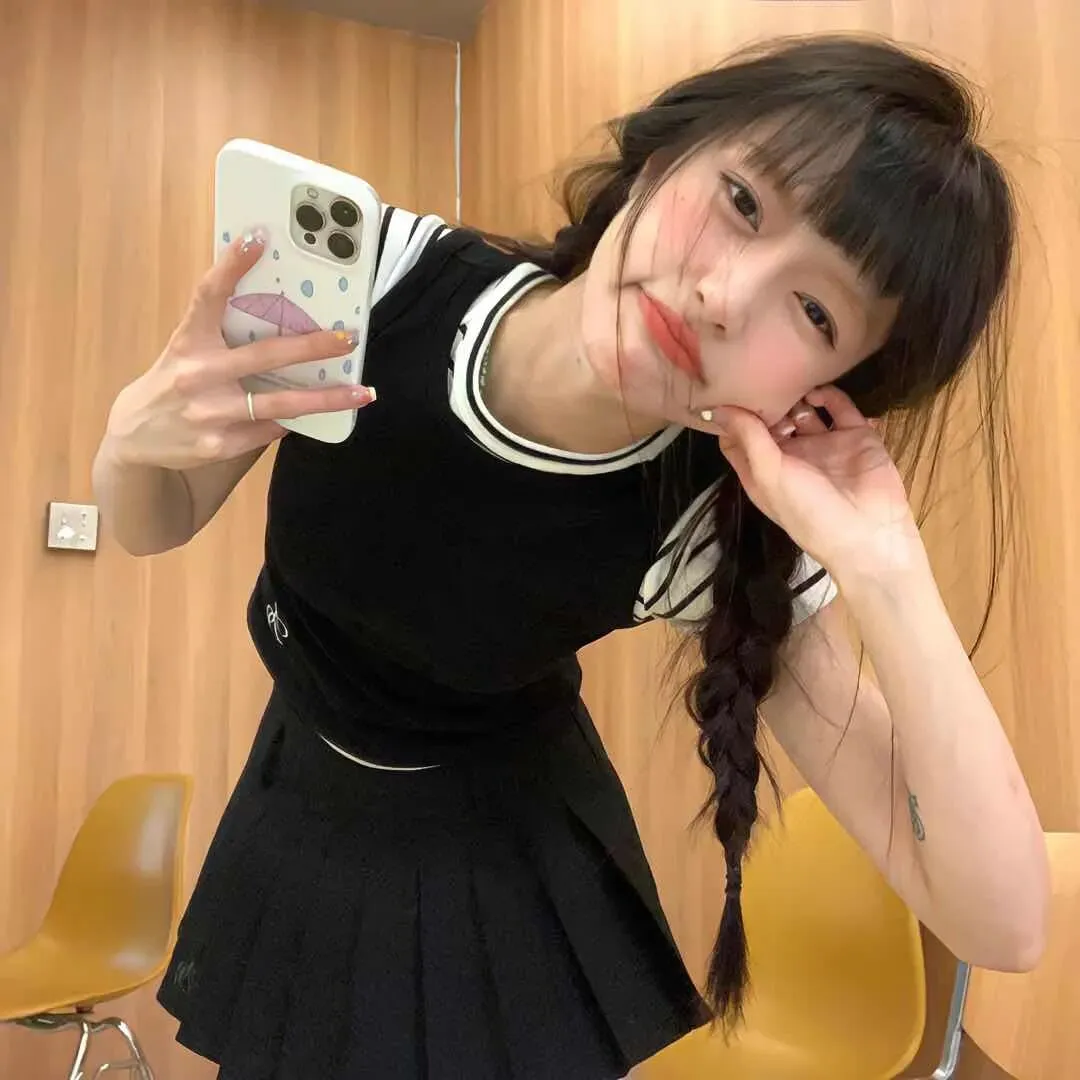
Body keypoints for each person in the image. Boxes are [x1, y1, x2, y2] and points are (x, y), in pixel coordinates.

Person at [93, 33, 1049, 1080]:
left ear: (823, 391)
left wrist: (888, 567)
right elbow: (159, 519)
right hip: (301, 790)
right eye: (742, 201)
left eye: (816, 311)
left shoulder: (701, 529)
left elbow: (1002, 924)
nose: (724, 296)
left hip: (496, 863)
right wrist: (130, 443)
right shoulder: (379, 280)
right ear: (661, 157)